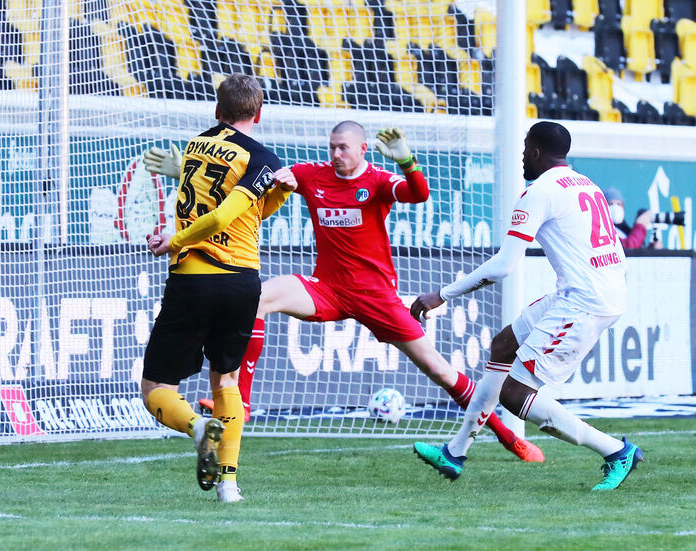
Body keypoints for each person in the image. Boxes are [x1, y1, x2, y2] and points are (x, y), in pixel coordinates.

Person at [145, 121, 544, 463]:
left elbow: (418, 194)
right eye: (332, 147)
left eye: (343, 148)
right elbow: (251, 181)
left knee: (440, 371)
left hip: (376, 297)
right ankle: (242, 405)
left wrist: (406, 161)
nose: (335, 154)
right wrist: (183, 168)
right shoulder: (312, 175)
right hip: (329, 289)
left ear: (362, 149)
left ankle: (509, 436)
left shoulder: (378, 182)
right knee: (259, 297)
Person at [410, 121, 643, 491]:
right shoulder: (587, 184)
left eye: (524, 149)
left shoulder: (538, 192)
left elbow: (504, 266)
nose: (521, 157)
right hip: (591, 289)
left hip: (585, 300)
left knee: (515, 394)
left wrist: (442, 294)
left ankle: (617, 450)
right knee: (504, 344)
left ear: (535, 151)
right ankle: (455, 453)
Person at [141, 73, 295, 503]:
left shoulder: (195, 145)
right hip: (241, 282)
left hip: (192, 278)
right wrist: (281, 193)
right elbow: (236, 217)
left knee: (156, 388)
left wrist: (175, 240)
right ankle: (228, 486)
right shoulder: (262, 157)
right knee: (227, 381)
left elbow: (223, 215)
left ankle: (195, 428)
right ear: (259, 113)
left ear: (216, 110)